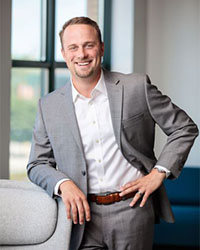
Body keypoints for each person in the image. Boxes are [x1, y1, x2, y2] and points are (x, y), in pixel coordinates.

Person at [27, 16, 198, 250]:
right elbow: (37, 163)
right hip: (79, 218)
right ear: (64, 54)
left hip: (132, 211)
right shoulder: (48, 106)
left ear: (101, 48)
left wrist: (158, 173)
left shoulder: (136, 87)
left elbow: (184, 127)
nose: (82, 54)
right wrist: (63, 183)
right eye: (73, 47)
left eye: (89, 45)